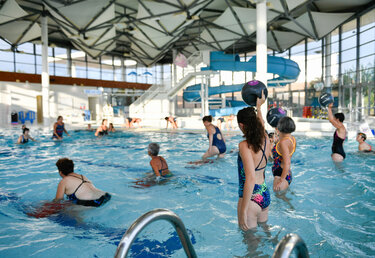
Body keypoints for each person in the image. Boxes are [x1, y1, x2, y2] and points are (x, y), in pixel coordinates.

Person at [237, 92, 271, 230]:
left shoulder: (244, 146)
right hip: (264, 193)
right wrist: (259, 107)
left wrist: (243, 210)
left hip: (251, 199)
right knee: (265, 233)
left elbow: (250, 178)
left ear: (241, 125)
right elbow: (261, 125)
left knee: (251, 245)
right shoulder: (266, 139)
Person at [272, 116, 296, 192]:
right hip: (287, 173)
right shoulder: (292, 139)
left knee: (279, 200)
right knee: (285, 200)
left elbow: (287, 163)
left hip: (281, 174)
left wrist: (281, 180)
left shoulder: (283, 143)